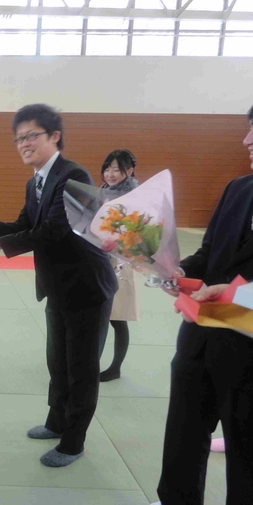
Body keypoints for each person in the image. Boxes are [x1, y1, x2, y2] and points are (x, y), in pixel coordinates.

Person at [0, 104, 118, 468]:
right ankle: (56, 422)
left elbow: (55, 230)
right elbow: (25, 224)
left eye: (31, 136)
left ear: (54, 136)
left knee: (81, 369)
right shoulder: (35, 182)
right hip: (58, 287)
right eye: (18, 138)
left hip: (87, 288)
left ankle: (73, 442)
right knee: (57, 363)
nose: (23, 144)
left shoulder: (73, 175)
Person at [153, 96, 253, 505]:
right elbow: (210, 254)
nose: (246, 140)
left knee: (250, 452)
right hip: (200, 336)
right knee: (183, 435)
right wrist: (176, 270)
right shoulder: (239, 188)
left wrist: (237, 294)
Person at [99, 149, 139, 382]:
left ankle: (115, 367)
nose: (110, 174)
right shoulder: (103, 191)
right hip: (98, 258)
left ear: (129, 171)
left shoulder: (135, 196)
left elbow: (139, 233)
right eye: (107, 169)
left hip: (120, 261)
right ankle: (90, 361)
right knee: (98, 315)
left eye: (117, 169)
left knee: (118, 317)